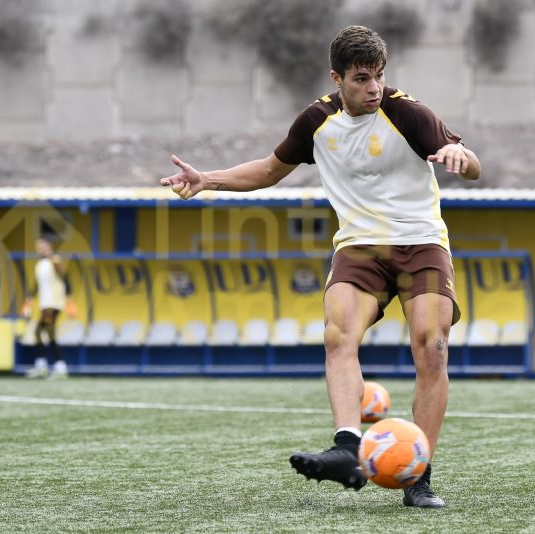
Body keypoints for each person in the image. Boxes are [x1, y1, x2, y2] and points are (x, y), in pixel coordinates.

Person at [159, 25, 480, 508]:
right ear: (338, 78)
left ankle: (419, 476)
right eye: (361, 78)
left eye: (379, 77)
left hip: (421, 243)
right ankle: (348, 448)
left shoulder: (408, 113)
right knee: (337, 335)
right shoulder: (316, 120)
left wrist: (460, 154)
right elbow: (269, 170)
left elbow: (472, 164)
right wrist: (207, 179)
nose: (374, 88)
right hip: (359, 246)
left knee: (431, 346)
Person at [22, 236, 76, 379]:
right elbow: (37, 284)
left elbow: (65, 278)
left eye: (43, 246)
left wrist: (70, 299)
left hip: (54, 304)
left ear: (49, 246)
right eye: (39, 247)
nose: (40, 249)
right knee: (42, 333)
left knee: (41, 331)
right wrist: (29, 299)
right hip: (45, 305)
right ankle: (47, 367)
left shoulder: (55, 260)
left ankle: (57, 368)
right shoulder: (40, 264)